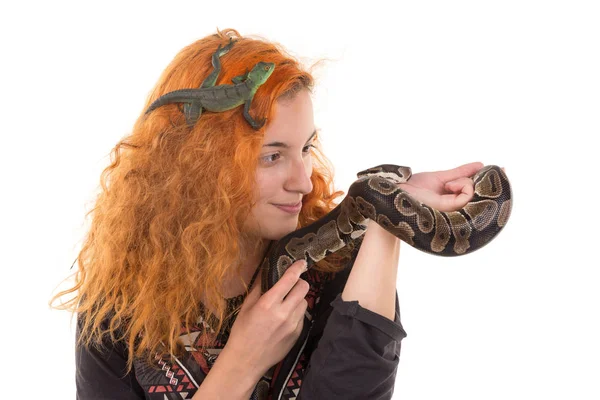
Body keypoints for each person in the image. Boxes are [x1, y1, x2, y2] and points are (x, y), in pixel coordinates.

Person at [50, 28, 484, 399]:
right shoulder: (117, 307)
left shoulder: (336, 264)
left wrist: (389, 212)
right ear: (200, 167)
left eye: (306, 148)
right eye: (271, 156)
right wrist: (242, 361)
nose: (302, 180)